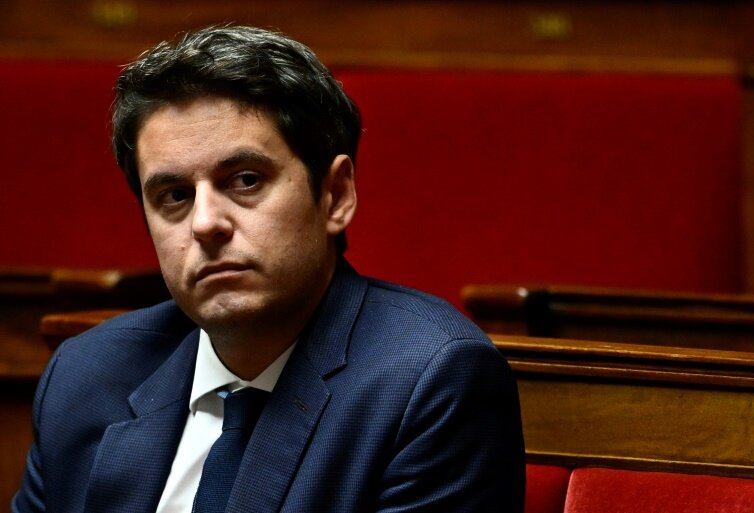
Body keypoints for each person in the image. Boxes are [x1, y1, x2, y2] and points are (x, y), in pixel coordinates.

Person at [12, 25, 525, 513]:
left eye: (246, 180)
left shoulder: (430, 381)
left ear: (335, 195)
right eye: (174, 196)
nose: (206, 223)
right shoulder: (86, 375)